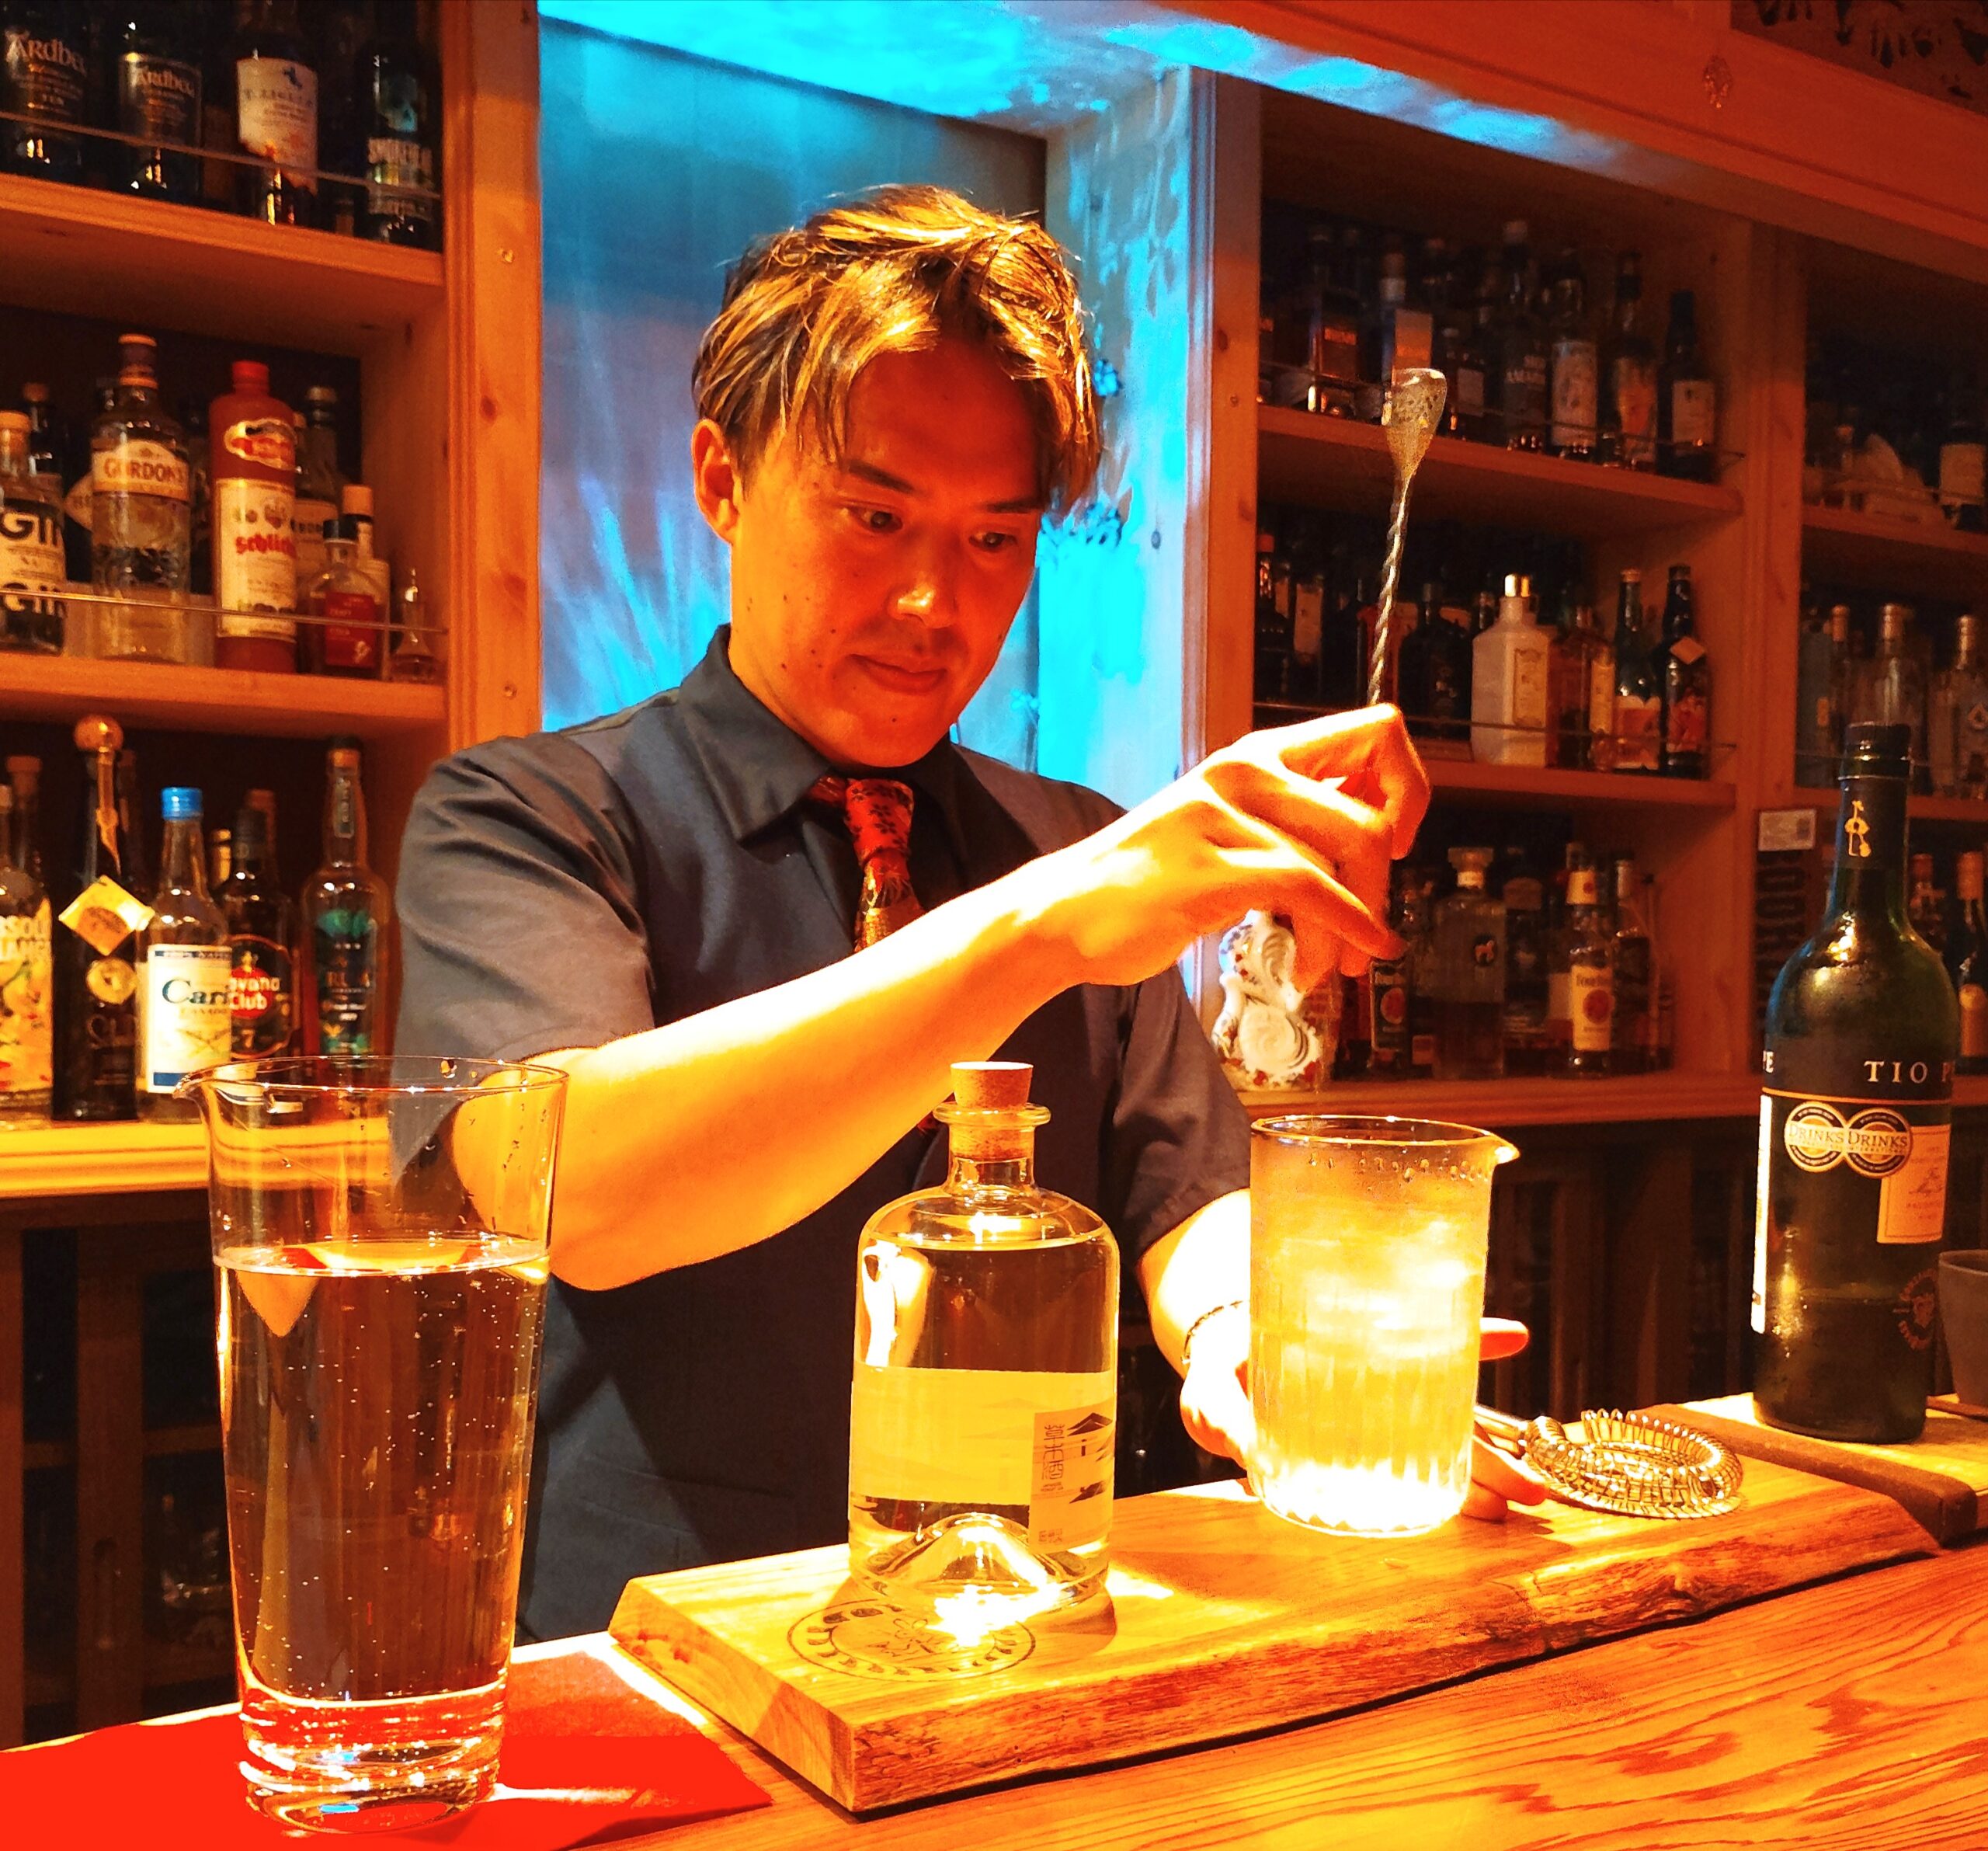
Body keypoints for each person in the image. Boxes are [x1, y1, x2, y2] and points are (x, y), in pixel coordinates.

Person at [396, 184, 1538, 1641]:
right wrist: (1042, 926)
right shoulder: (529, 817)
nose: (935, 603)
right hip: (655, 1644)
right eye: (874, 517)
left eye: (995, 541)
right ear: (721, 480)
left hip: (1030, 1625)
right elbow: (575, 1192)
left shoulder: (1071, 844)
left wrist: (1257, 1338)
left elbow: (1186, 1196)